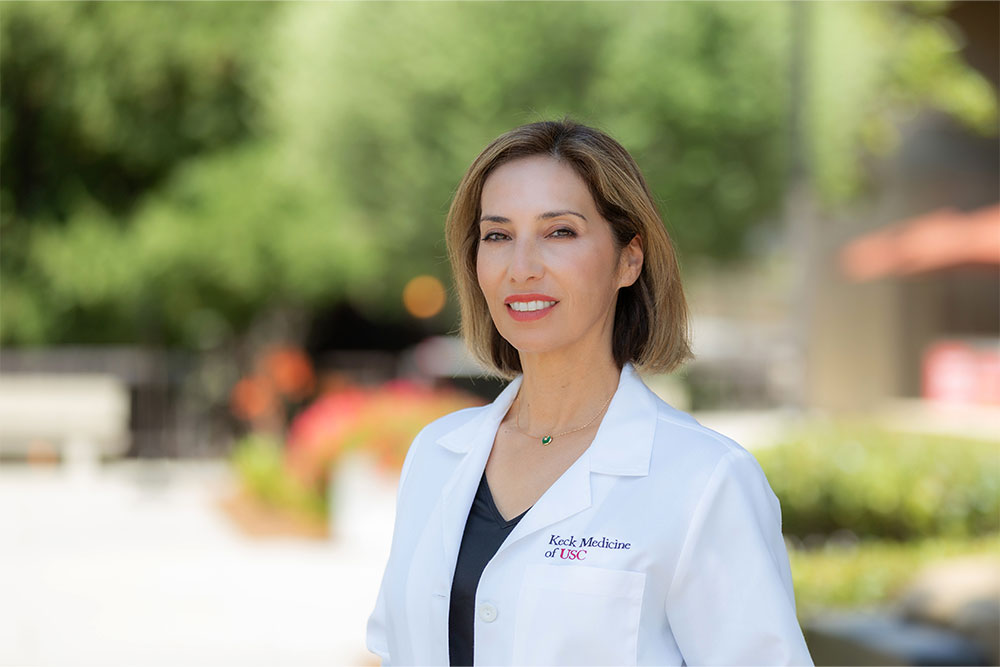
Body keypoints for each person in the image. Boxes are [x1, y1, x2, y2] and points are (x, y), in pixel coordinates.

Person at [366, 119, 813, 666]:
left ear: (629, 259)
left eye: (559, 232)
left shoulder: (706, 480)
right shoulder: (435, 457)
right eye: (498, 236)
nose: (521, 268)